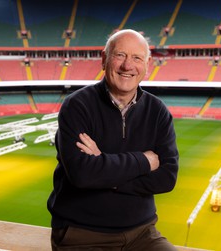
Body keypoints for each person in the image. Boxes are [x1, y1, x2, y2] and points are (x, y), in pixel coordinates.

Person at [47, 29, 179, 251]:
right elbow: (83, 174)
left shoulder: (158, 111)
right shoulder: (77, 106)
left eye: (137, 58)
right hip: (82, 234)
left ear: (147, 64)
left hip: (142, 233)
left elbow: (167, 178)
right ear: (104, 59)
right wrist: (143, 162)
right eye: (120, 55)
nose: (128, 66)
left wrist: (103, 167)